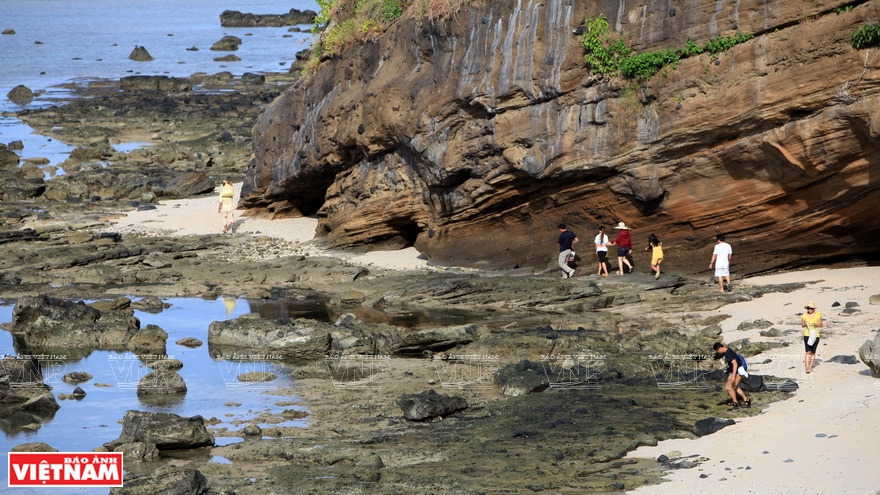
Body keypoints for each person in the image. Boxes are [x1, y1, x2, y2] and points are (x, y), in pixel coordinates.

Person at [713, 343, 751, 408]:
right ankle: (746, 400)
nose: (718, 352)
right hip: (736, 371)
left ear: (720, 349)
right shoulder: (728, 350)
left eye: (717, 351)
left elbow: (735, 364)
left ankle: (735, 402)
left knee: (729, 387)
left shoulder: (729, 354)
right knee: (735, 387)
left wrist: (733, 376)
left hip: (736, 372)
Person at [801, 301, 822, 373]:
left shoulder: (818, 315)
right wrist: (806, 324)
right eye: (808, 308)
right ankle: (807, 367)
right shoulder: (804, 315)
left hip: (815, 335)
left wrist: (815, 324)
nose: (809, 310)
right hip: (807, 335)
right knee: (808, 351)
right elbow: (802, 325)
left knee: (813, 352)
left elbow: (820, 324)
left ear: (814, 309)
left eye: (811, 308)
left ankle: (810, 367)